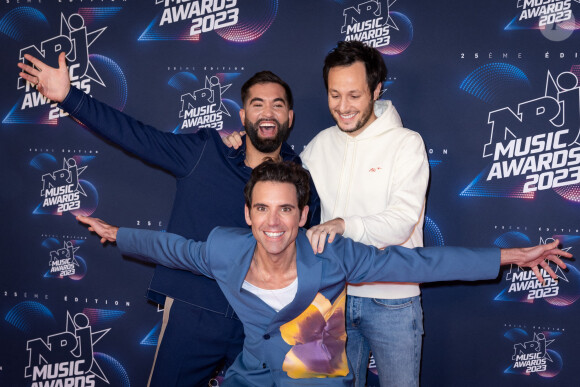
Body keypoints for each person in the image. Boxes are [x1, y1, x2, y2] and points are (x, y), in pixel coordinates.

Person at [76, 160, 570, 386]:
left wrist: (507, 257)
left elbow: (421, 262)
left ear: (303, 215)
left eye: (285, 210)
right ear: (247, 214)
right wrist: (117, 233)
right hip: (250, 379)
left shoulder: (333, 257)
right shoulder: (225, 249)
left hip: (313, 381)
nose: (274, 222)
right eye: (263, 209)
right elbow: (172, 248)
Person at [18, 53, 319, 386]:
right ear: (243, 114)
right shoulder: (206, 152)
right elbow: (135, 136)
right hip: (193, 308)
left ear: (289, 117)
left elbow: (315, 247)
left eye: (277, 106)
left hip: (262, 320)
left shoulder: (301, 180)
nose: (267, 113)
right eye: (258, 104)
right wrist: (69, 97)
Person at [223, 40, 428, 385]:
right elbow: (279, 179)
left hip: (393, 300)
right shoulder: (318, 147)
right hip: (332, 298)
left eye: (354, 95)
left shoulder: (406, 144)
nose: (343, 106)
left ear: (376, 90)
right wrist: (240, 141)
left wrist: (343, 225)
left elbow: (402, 221)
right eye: (335, 95)